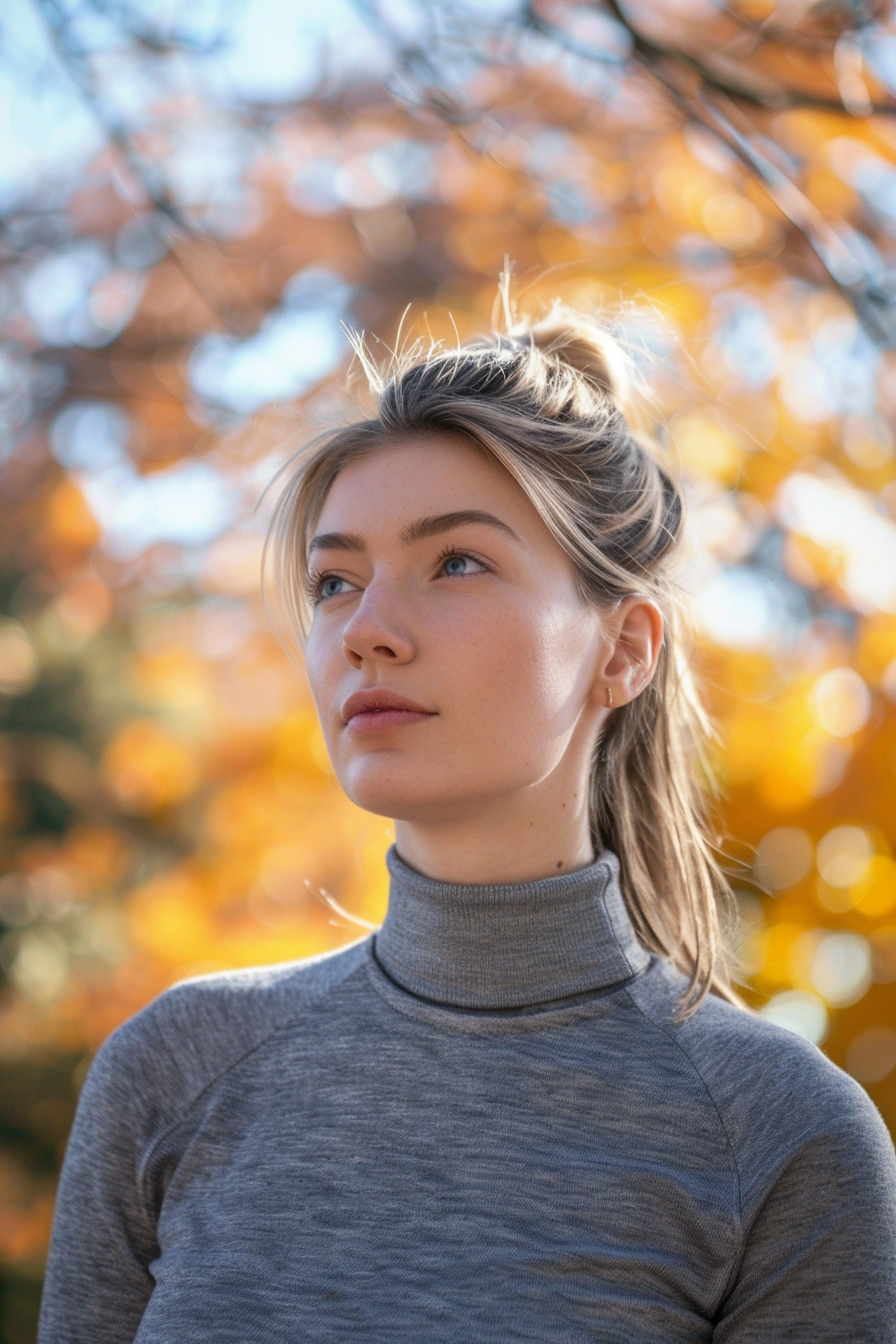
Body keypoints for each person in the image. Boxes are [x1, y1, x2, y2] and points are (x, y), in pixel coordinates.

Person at [39, 297, 896, 1343]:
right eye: (333, 581)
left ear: (622, 649)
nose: (366, 633)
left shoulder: (780, 1135)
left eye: (454, 563)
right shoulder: (170, 1071)